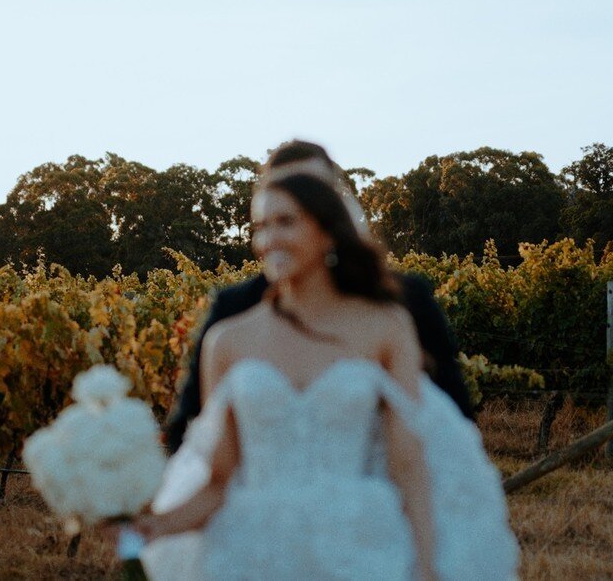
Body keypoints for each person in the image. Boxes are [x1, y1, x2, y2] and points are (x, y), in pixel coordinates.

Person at [133, 170, 439, 580]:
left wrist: (427, 566)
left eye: (286, 222)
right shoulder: (227, 342)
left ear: (328, 233)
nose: (270, 238)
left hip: (355, 546)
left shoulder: (385, 327)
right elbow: (217, 484)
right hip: (252, 552)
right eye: (261, 226)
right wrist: (156, 524)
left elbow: (408, 466)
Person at [163, 140, 472, 454]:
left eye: (309, 193)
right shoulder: (233, 309)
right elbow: (191, 427)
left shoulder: (405, 300)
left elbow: (452, 418)